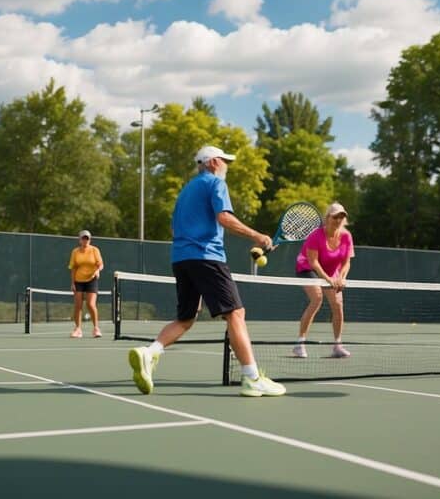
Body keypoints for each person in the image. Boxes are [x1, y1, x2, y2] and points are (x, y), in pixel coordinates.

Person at [128, 146, 286, 397]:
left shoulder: (187, 190)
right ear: (212, 162)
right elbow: (224, 218)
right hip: (206, 257)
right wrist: (258, 236)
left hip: (181, 258)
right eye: (225, 161)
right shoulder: (215, 183)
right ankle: (252, 377)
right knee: (236, 313)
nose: (227, 166)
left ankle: (150, 352)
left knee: (186, 318)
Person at [292, 202, 354, 359]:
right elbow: (313, 262)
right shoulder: (316, 236)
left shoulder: (346, 237)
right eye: (335, 217)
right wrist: (328, 279)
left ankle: (337, 346)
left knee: (338, 304)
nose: (338, 220)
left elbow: (346, 262)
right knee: (317, 298)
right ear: (327, 218)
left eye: (341, 217)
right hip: (308, 268)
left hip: (331, 271)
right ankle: (300, 344)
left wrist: (341, 278)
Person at [68, 229, 105, 338]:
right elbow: (73, 268)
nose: (85, 240)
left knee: (90, 304)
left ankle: (96, 328)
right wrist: (73, 283)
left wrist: (98, 270)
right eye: (83, 238)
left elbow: (101, 264)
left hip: (91, 280)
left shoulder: (95, 250)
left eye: (87, 238)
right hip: (78, 281)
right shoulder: (75, 252)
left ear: (90, 240)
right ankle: (78, 329)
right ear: (79, 240)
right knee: (78, 306)